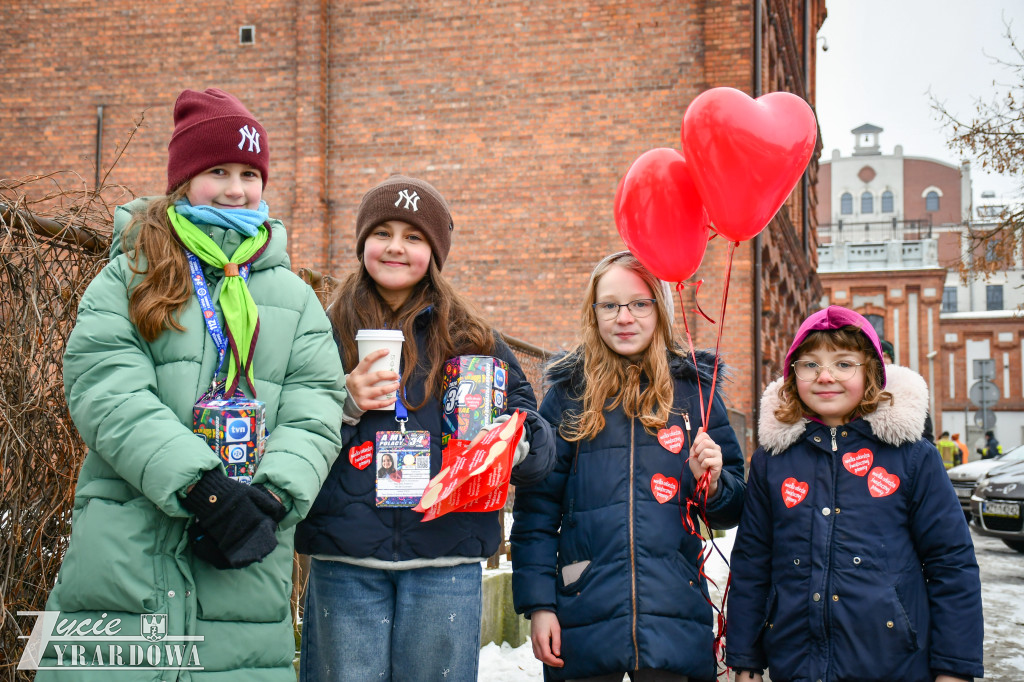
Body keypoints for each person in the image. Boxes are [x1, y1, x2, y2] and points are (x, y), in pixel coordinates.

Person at [39, 88, 346, 679]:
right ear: (184, 179)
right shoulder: (130, 274)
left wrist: (273, 498)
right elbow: (106, 389)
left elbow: (316, 407)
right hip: (128, 548)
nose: (236, 189)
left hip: (245, 556)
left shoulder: (295, 298)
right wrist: (201, 488)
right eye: (217, 171)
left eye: (250, 174)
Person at [295, 175, 556, 682]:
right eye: (383, 232)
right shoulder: (322, 329)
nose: (396, 247)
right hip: (345, 559)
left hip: (446, 558)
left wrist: (513, 442)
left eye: (414, 237)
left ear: (434, 252)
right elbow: (290, 428)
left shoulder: (472, 336)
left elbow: (536, 436)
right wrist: (344, 401)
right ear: (362, 243)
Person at [510, 251, 746, 681]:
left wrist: (712, 484)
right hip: (581, 615)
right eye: (610, 305)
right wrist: (539, 604)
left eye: (640, 303)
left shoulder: (694, 393)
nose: (624, 317)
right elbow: (536, 511)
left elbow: (733, 506)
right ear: (593, 311)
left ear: (660, 310)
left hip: (674, 614)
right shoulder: (568, 395)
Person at [727, 306, 983, 682]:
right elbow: (752, 562)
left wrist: (955, 667)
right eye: (809, 364)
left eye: (844, 364)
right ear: (792, 374)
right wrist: (745, 657)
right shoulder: (773, 460)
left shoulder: (911, 456)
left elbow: (951, 563)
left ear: (871, 374)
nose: (825, 376)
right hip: (797, 663)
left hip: (894, 664)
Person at [880, 337, 934, 441]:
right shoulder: (860, 387)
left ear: (892, 360)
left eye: (886, 356)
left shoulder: (907, 386)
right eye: (878, 356)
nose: (882, 359)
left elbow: (925, 429)